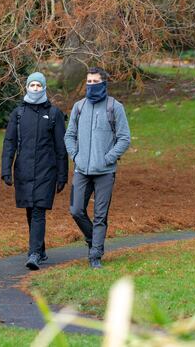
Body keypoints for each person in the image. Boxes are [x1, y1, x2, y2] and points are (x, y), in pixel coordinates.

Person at [65, 67, 131, 269]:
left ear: (103, 83)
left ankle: (95, 255)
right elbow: (69, 136)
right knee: (76, 210)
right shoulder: (79, 107)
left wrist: (108, 158)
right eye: (89, 82)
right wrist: (75, 155)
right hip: (82, 170)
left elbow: (124, 138)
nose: (91, 85)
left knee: (100, 216)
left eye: (95, 82)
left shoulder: (114, 107)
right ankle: (93, 240)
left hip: (105, 172)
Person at [1, 72, 68, 271]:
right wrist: (6, 169)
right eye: (33, 85)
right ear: (27, 87)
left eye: (39, 85)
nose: (36, 88)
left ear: (45, 88)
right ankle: (41, 248)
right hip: (23, 170)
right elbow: (9, 142)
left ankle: (34, 254)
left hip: (46, 171)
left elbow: (60, 148)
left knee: (39, 210)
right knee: (30, 210)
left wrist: (62, 175)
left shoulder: (54, 114)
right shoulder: (18, 114)